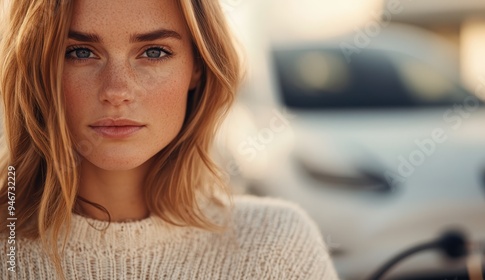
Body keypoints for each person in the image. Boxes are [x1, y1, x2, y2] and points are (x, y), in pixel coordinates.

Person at [0, 0, 339, 279]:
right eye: (80, 52)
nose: (117, 91)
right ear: (36, 69)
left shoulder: (276, 248)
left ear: (198, 67)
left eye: (154, 52)